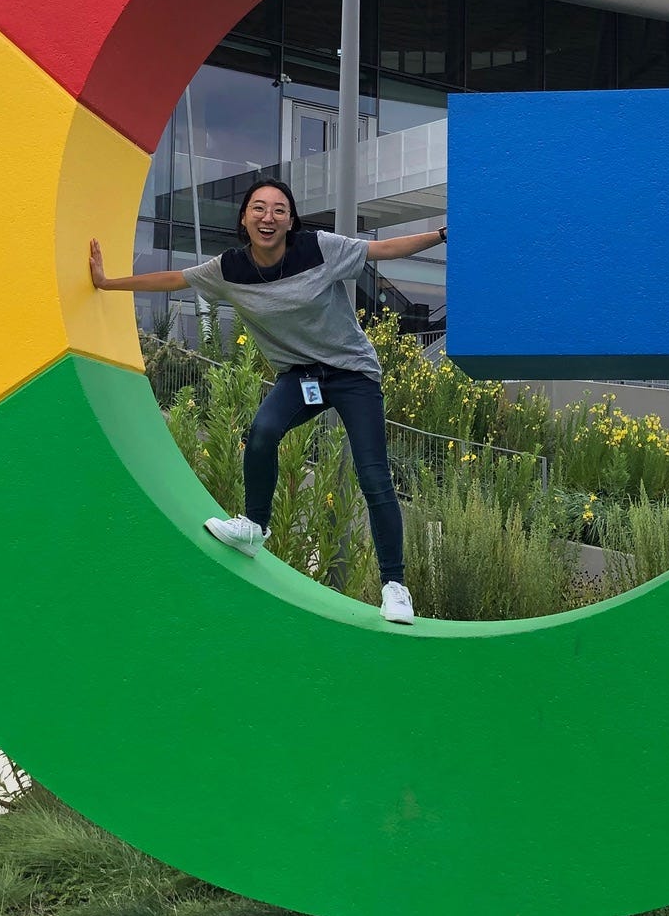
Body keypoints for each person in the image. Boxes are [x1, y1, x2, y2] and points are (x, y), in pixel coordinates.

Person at [89, 177, 447, 625]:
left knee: (373, 475)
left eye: (279, 210)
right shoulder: (229, 269)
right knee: (261, 433)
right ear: (244, 218)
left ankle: (395, 587)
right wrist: (106, 282)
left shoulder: (318, 248)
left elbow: (385, 250)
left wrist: (443, 235)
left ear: (290, 220)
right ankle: (255, 528)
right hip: (299, 376)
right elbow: (172, 279)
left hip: (352, 372)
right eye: (258, 208)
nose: (268, 217)